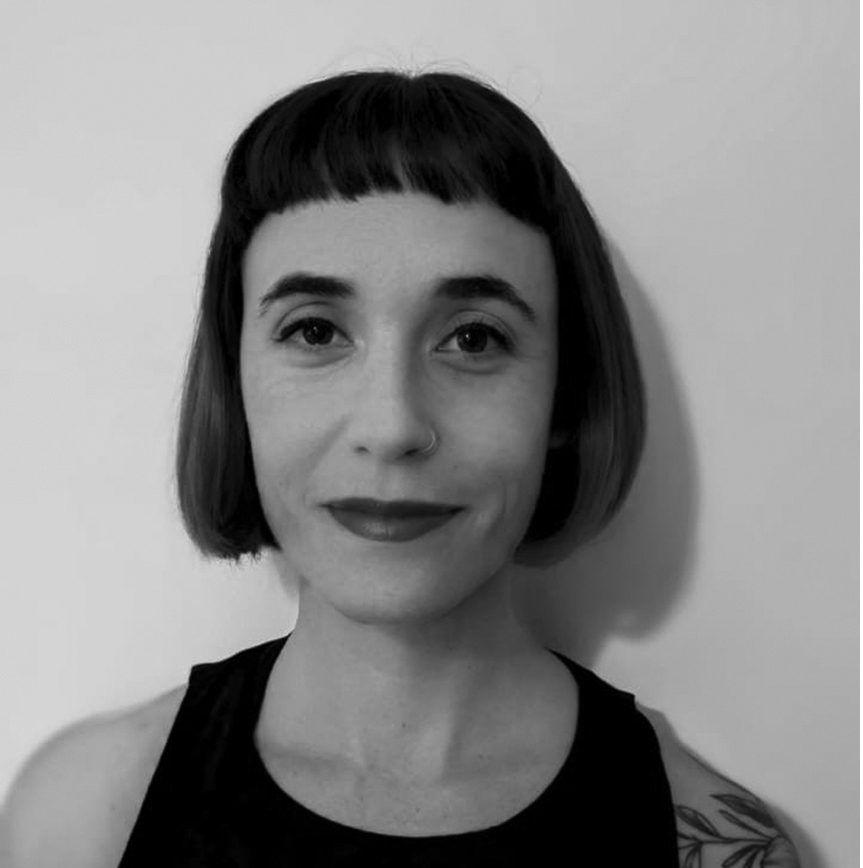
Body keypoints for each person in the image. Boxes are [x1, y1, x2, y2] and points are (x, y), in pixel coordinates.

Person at [0, 69, 801, 867]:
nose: (391, 427)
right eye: (315, 332)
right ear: (234, 384)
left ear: (565, 396)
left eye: (473, 338)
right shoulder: (80, 820)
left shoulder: (718, 847)